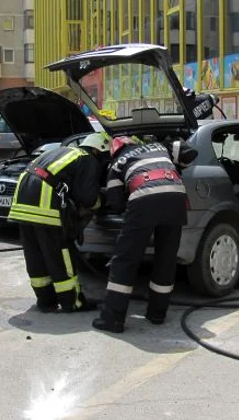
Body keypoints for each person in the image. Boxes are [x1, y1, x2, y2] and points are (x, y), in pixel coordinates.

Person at [93, 135, 197, 334]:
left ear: (115, 150)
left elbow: (115, 203)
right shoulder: (157, 147)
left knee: (125, 260)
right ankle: (157, 314)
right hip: (177, 197)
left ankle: (112, 319)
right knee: (166, 259)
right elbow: (187, 155)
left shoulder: (117, 163)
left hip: (144, 199)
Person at [8, 132, 110, 313]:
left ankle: (46, 300)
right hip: (44, 205)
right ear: (99, 150)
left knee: (35, 254)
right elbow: (87, 197)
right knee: (60, 254)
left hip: (21, 203)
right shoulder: (88, 159)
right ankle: (72, 301)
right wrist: (103, 200)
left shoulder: (63, 151)